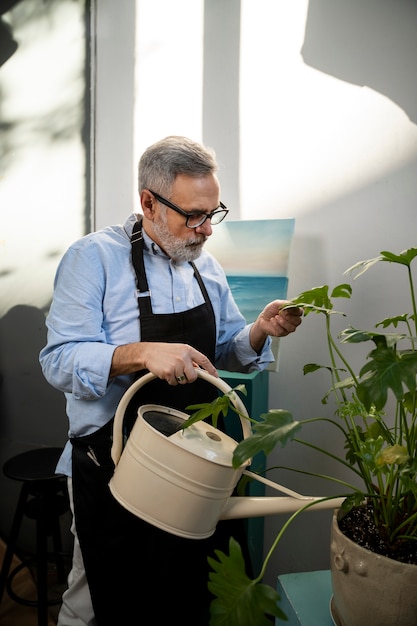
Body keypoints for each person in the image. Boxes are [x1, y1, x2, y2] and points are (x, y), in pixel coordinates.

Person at [39, 135, 302, 626]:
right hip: (114, 462)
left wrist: (261, 331)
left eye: (212, 213)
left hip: (195, 463)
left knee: (180, 592)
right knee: (97, 593)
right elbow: (59, 361)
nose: (205, 229)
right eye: (192, 216)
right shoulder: (92, 259)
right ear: (148, 202)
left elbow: (226, 349)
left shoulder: (204, 264)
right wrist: (141, 354)